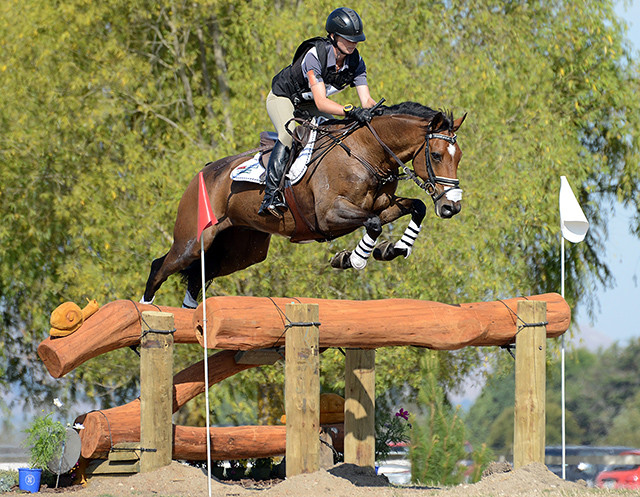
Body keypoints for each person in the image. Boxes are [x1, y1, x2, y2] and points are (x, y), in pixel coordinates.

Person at [258, 7, 378, 217]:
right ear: (333, 36)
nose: (353, 43)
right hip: (283, 97)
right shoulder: (315, 55)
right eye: (347, 38)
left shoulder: (356, 62)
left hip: (310, 102)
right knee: (288, 135)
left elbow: (366, 100)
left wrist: (381, 114)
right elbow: (322, 103)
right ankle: (271, 196)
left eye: (356, 39)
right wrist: (349, 110)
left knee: (337, 136)